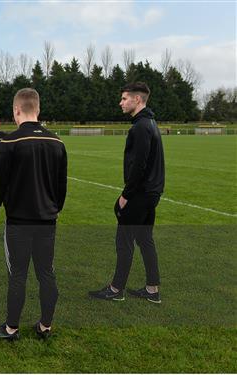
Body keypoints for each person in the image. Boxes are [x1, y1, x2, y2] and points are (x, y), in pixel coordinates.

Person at [0, 88, 67, 340]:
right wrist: (55, 210)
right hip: (47, 221)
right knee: (46, 272)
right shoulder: (57, 142)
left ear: (16, 110)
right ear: (38, 109)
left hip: (19, 223)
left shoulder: (9, 142)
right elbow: (61, 186)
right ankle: (45, 327)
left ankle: (11, 329)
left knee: (18, 275)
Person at [89, 82, 165, 304]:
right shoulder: (150, 122)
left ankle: (115, 289)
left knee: (124, 240)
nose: (120, 102)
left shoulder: (141, 126)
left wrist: (126, 195)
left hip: (140, 194)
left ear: (137, 100)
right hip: (151, 193)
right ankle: (152, 290)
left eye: (124, 99)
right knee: (145, 239)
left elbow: (139, 166)